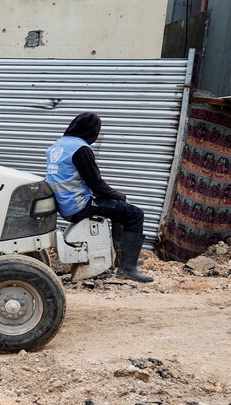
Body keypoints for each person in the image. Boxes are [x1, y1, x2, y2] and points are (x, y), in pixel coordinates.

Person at [46, 112, 152, 283]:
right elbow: (97, 185)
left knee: (117, 208)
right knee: (135, 214)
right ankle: (128, 269)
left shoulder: (57, 146)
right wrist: (120, 195)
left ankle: (122, 259)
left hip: (65, 205)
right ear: (91, 130)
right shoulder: (81, 149)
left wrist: (115, 198)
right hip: (79, 206)